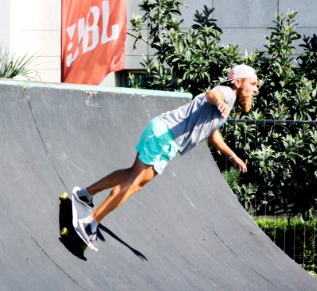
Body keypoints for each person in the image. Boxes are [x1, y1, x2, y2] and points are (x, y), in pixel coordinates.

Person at [72, 64, 259, 251]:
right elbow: (212, 94)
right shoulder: (227, 92)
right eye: (253, 83)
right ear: (237, 82)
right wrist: (220, 101)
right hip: (165, 136)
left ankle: (85, 194)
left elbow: (213, 134)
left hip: (162, 132)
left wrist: (232, 156)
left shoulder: (229, 101)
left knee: (132, 175)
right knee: (134, 183)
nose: (255, 88)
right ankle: (90, 223)